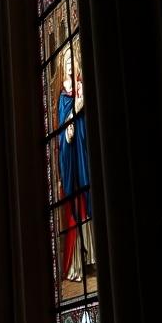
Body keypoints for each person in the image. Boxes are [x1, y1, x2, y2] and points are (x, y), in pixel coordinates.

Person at [57, 45, 94, 282]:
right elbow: (62, 130)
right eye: (66, 62)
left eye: (73, 60)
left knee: (90, 191)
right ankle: (79, 261)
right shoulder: (63, 95)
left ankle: (94, 256)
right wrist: (69, 122)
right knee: (77, 199)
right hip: (72, 149)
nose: (70, 65)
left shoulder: (83, 86)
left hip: (86, 144)